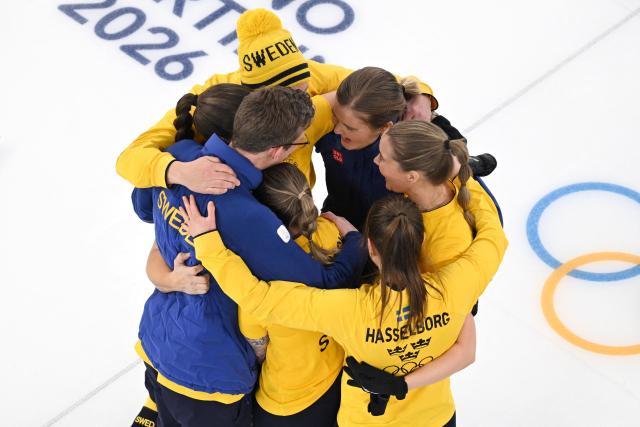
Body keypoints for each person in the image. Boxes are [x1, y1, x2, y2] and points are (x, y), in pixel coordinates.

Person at [131, 86, 367, 426]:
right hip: (208, 375)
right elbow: (322, 283)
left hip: (158, 339)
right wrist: (355, 240)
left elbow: (143, 209)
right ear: (276, 150)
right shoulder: (249, 218)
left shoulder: (178, 155)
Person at [180, 187, 508, 426]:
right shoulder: (457, 285)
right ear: (419, 241)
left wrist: (209, 241)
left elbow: (259, 299)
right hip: (435, 418)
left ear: (370, 247)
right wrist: (460, 179)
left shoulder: (349, 309)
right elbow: (494, 237)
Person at [115, 8, 438, 194]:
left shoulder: (308, 74)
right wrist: (178, 172)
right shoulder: (213, 99)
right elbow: (130, 158)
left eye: (304, 88)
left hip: (296, 204)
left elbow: (379, 84)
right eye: (293, 95)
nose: (304, 99)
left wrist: (421, 94)